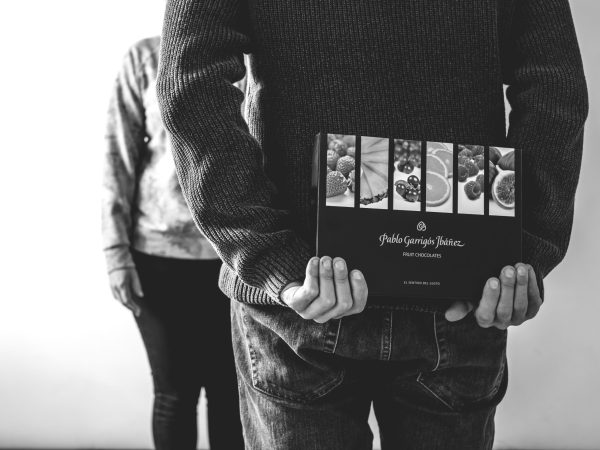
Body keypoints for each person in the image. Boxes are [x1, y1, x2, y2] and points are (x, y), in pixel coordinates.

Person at [156, 2, 588, 449]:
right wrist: (519, 249)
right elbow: (554, 87)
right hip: (449, 281)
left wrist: (269, 254)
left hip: (312, 287)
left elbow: (188, 83)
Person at [102, 36, 245, 450]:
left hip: (238, 257)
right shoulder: (146, 58)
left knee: (230, 392)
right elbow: (117, 157)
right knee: (174, 393)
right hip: (156, 256)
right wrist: (115, 253)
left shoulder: (261, 57)